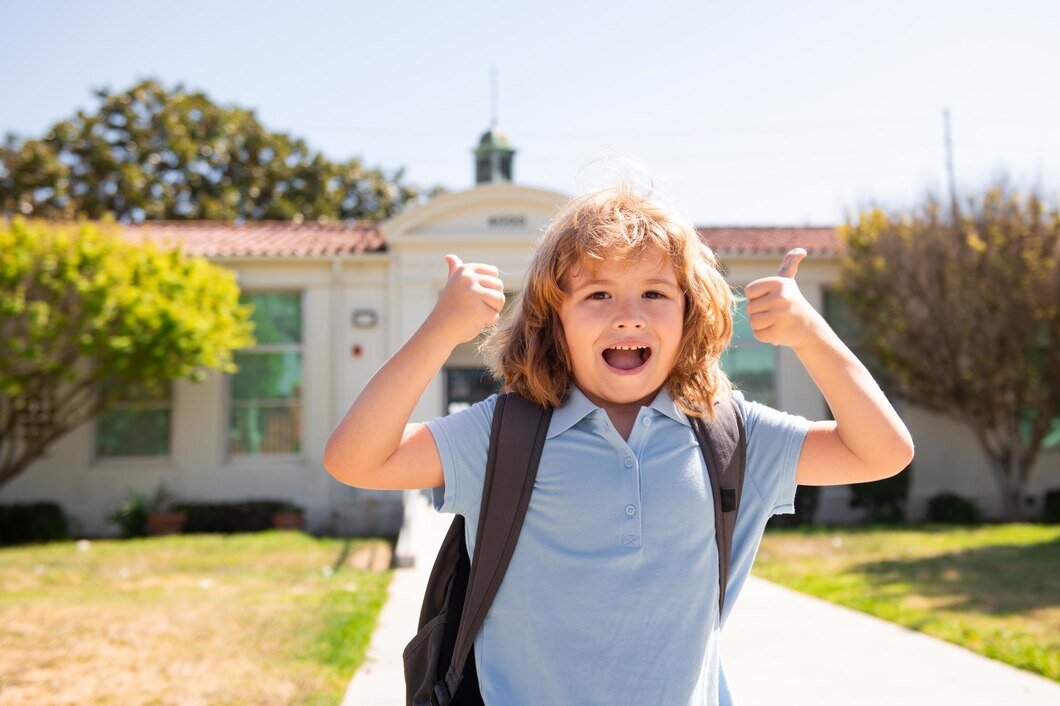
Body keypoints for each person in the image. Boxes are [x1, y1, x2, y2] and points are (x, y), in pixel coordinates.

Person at [323, 183, 915, 705]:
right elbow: (355, 459)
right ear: (553, 322)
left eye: (656, 294)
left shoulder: (732, 435)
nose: (628, 316)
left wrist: (812, 336)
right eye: (598, 295)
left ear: (692, 314)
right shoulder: (503, 434)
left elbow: (882, 452)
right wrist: (438, 332)